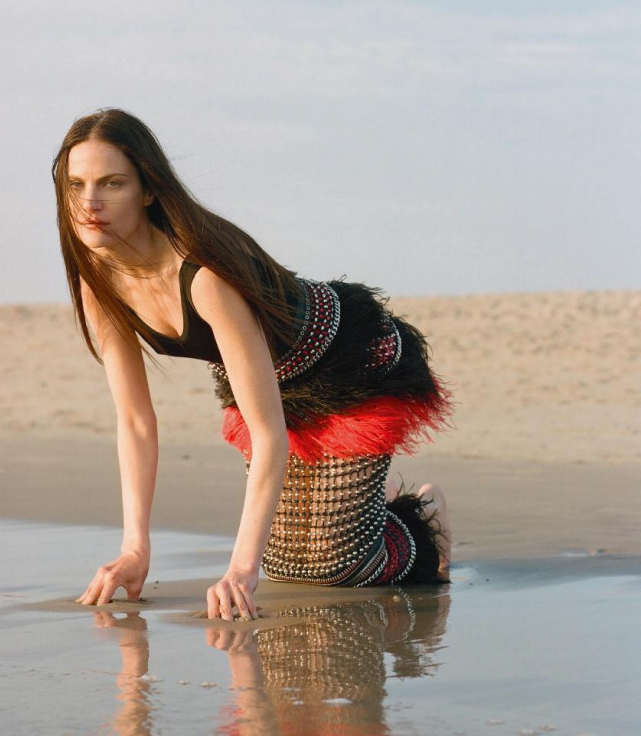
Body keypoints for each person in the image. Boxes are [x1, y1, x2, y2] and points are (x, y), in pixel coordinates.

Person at [53, 109, 453, 621]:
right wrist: (136, 549)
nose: (90, 203)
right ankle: (365, 503)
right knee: (286, 563)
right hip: (264, 380)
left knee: (335, 566)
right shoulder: (98, 285)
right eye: (76, 184)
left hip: (351, 365)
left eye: (112, 183)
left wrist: (240, 569)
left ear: (148, 190)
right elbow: (135, 421)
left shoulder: (203, 278)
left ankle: (425, 521)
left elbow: (269, 436)